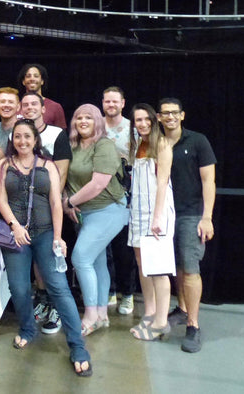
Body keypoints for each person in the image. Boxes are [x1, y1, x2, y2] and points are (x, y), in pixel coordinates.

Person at [0, 119, 92, 377]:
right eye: (17, 137)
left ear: (35, 139)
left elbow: (56, 203)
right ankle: (27, 328)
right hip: (16, 237)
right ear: (12, 139)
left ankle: (77, 346)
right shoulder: (3, 165)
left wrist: (58, 236)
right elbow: (1, 200)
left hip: (46, 233)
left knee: (59, 288)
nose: (22, 141)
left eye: (27, 136)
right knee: (18, 287)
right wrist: (14, 226)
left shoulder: (48, 165)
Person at [63, 104, 129, 336]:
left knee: (80, 259)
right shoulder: (72, 146)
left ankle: (90, 314)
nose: (82, 121)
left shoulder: (104, 145)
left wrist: (70, 203)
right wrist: (66, 199)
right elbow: (64, 177)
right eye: (78, 117)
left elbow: (98, 183)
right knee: (97, 263)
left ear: (97, 122)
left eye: (88, 118)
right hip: (84, 214)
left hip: (108, 210)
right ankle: (101, 314)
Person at [159, 98, 216, 353]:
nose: (170, 116)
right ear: (158, 118)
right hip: (165, 216)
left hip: (192, 214)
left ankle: (193, 326)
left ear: (182, 115)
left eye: (174, 113)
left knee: (191, 269)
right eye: (165, 113)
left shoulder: (198, 141)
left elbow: (208, 181)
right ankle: (181, 309)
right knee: (176, 267)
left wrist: (207, 217)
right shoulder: (156, 144)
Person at [20, 91, 72, 334]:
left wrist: (49, 203)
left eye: (34, 104)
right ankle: (41, 299)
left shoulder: (57, 134)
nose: (30, 108)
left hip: (49, 208)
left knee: (52, 259)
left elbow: (60, 173)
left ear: (43, 108)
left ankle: (56, 307)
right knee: (36, 262)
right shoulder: (19, 135)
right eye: (26, 105)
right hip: (25, 213)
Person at [127, 103, 175, 340]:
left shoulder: (163, 144)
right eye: (138, 120)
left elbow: (163, 181)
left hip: (157, 212)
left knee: (157, 267)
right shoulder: (137, 145)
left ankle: (160, 322)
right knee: (142, 263)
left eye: (146, 119)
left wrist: (158, 217)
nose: (143, 124)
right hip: (138, 210)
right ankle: (150, 312)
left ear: (154, 120)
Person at [102, 86, 137, 315]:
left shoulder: (132, 129)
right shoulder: (96, 127)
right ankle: (109, 291)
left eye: (115, 101)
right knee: (103, 249)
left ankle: (128, 293)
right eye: (107, 101)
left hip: (126, 196)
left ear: (123, 103)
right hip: (99, 196)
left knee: (124, 249)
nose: (111, 105)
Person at [17, 63, 67, 129]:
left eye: (36, 76)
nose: (32, 79)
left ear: (42, 81)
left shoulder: (55, 107)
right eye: (28, 76)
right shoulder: (16, 107)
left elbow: (61, 135)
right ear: (23, 81)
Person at [0, 87, 21, 153]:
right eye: (2, 102)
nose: (6, 105)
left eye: (11, 102)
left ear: (18, 107)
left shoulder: (24, 129)